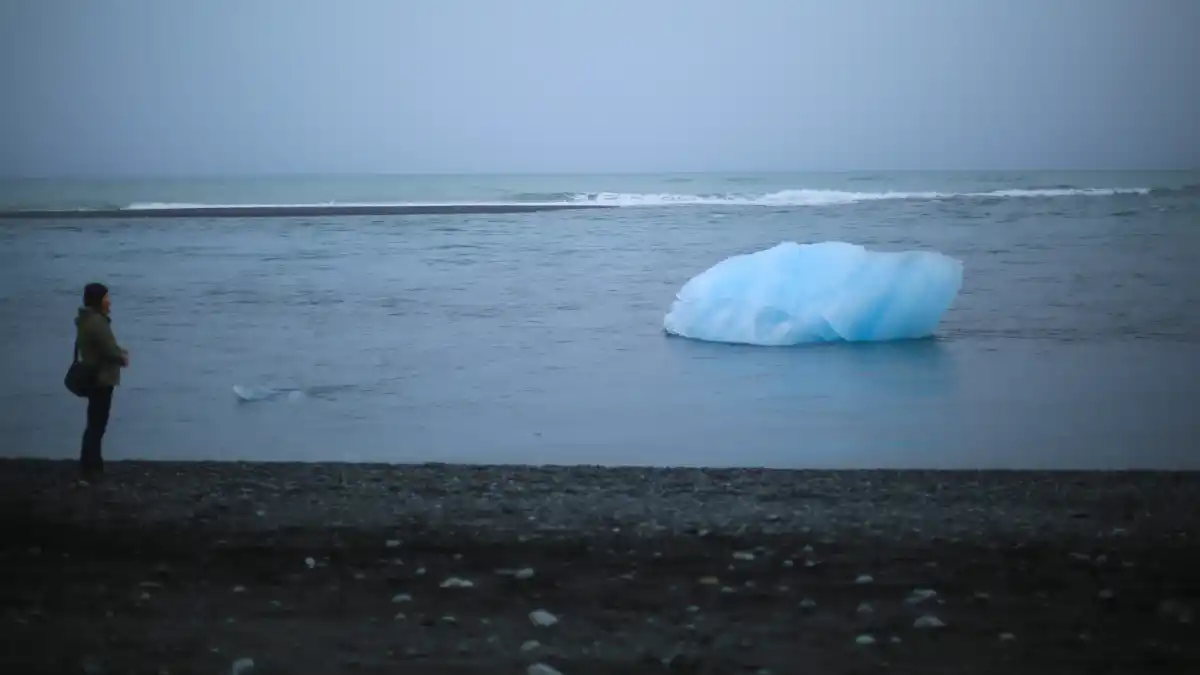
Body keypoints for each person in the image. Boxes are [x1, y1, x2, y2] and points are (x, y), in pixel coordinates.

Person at [75, 282, 128, 480]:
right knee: (98, 423)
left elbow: (97, 349)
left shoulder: (86, 320)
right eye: (106, 297)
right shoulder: (97, 322)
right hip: (101, 378)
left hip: (93, 376)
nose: (109, 301)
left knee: (94, 422)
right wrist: (121, 357)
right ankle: (91, 467)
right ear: (99, 300)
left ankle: (90, 464)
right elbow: (108, 350)